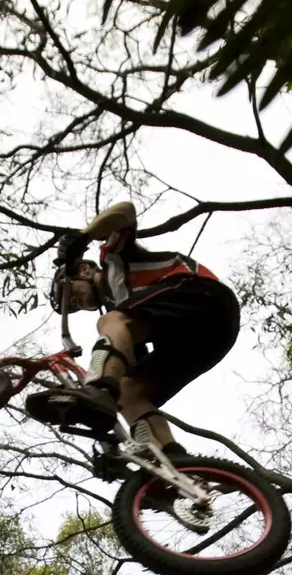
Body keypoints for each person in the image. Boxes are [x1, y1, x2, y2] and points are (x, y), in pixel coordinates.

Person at [46, 200, 241, 467]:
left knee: (112, 322)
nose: (77, 305)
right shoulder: (127, 315)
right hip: (207, 338)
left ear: (84, 270)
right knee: (129, 391)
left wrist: (83, 238)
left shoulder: (114, 261)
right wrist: (112, 451)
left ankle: (98, 389)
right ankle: (172, 463)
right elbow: (129, 366)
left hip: (203, 296)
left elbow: (125, 211)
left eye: (73, 296)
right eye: (73, 308)